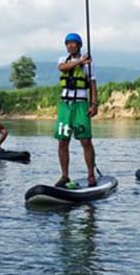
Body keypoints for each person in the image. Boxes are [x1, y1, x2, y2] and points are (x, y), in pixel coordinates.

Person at [55, 32, 99, 188]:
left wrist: (94, 104)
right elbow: (63, 68)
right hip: (65, 106)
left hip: (81, 105)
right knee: (63, 142)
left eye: (73, 43)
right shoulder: (63, 60)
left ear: (79, 45)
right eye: (68, 43)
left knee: (85, 141)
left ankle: (91, 175)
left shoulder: (89, 64)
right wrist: (80, 61)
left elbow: (93, 85)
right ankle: (64, 176)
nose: (70, 46)